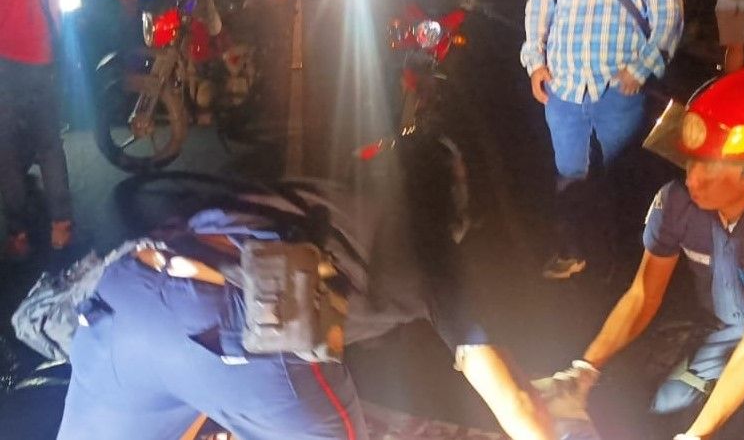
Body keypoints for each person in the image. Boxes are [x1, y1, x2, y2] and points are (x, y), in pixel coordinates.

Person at [56, 135, 556, 440]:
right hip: (244, 321)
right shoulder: (436, 253)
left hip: (124, 292)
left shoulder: (330, 202)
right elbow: (512, 400)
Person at [535, 67, 744, 439]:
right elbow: (643, 295)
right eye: (692, 161)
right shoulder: (676, 202)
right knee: (664, 408)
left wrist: (697, 435)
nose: (693, 178)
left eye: (711, 168)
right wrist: (583, 371)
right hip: (727, 329)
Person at [521, 0, 684, 279]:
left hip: (620, 88)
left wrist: (641, 68)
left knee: (623, 174)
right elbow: (539, 9)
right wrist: (536, 62)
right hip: (566, 86)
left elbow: (669, 16)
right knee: (569, 175)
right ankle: (572, 249)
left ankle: (629, 261)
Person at [0, 0, 74, 259]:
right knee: (49, 145)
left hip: (5, 59)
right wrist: (52, 40)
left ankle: (18, 234)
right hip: (40, 53)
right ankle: (61, 225)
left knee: (7, 152)